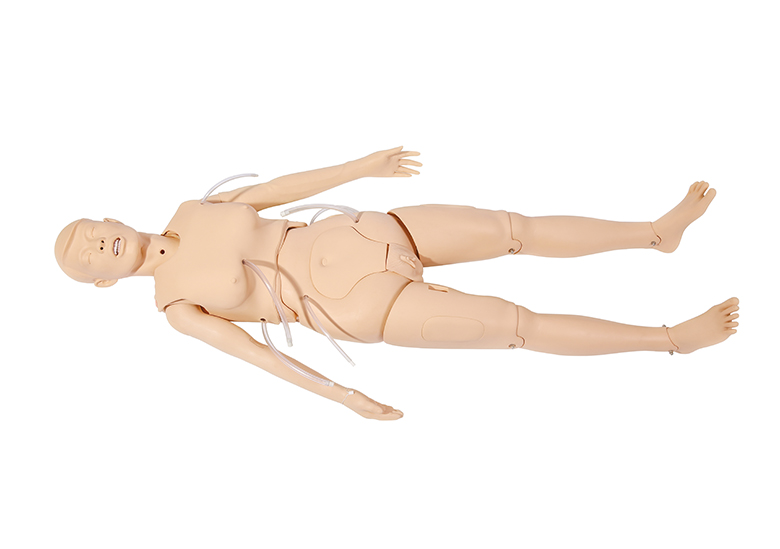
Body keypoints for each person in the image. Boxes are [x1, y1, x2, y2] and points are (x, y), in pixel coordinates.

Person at [55, 146, 739, 420]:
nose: (95, 244)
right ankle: (672, 339)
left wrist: (360, 166)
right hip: (360, 306)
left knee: (516, 227)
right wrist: (345, 395)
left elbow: (276, 190)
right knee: (520, 326)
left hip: (367, 233)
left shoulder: (191, 208)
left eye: (89, 230)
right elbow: (263, 358)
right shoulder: (176, 305)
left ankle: (656, 233)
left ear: (110, 216)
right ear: (103, 283)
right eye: (88, 257)